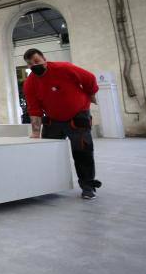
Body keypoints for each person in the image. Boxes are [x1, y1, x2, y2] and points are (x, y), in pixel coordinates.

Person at [22, 48, 102, 200]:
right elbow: (34, 108)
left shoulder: (63, 68)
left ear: (44, 59)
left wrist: (91, 94)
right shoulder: (30, 83)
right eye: (30, 64)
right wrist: (35, 132)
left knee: (82, 152)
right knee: (48, 153)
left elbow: (89, 78)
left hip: (77, 115)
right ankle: (48, 185)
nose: (34, 65)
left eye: (37, 61)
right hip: (53, 119)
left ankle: (87, 187)